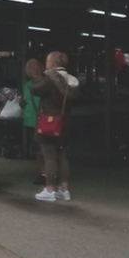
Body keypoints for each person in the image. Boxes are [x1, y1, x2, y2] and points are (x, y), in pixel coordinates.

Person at [32, 51, 79, 202]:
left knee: (50, 158)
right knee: (62, 156)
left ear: (52, 63)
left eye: (47, 61)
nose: (46, 64)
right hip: (64, 122)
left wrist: (43, 75)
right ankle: (64, 190)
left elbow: (35, 89)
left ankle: (50, 190)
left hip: (49, 122)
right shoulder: (72, 80)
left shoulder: (49, 79)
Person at [20, 58, 47, 185]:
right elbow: (25, 102)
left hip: (45, 120)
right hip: (31, 121)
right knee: (37, 150)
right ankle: (43, 174)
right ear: (28, 72)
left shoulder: (46, 83)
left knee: (47, 149)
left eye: (37, 68)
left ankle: (51, 173)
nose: (35, 71)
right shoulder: (27, 85)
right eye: (32, 69)